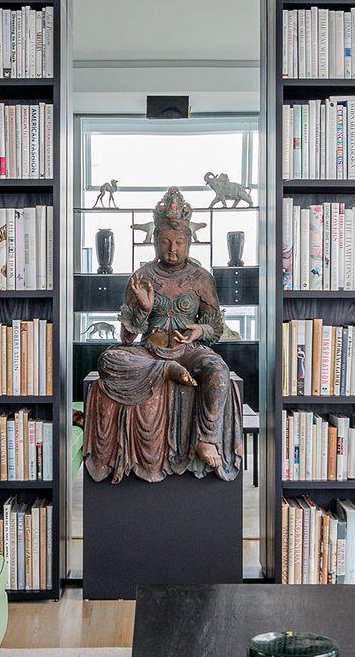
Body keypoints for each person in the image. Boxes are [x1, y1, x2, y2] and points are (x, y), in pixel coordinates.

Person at [83, 187, 243, 482]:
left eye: (179, 242)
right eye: (165, 242)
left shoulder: (201, 278)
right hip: (150, 352)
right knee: (108, 359)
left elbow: (215, 327)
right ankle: (165, 370)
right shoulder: (142, 277)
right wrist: (143, 310)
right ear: (154, 241)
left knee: (219, 372)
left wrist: (199, 330)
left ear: (189, 243)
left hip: (189, 351)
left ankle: (207, 438)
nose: (172, 249)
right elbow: (126, 338)